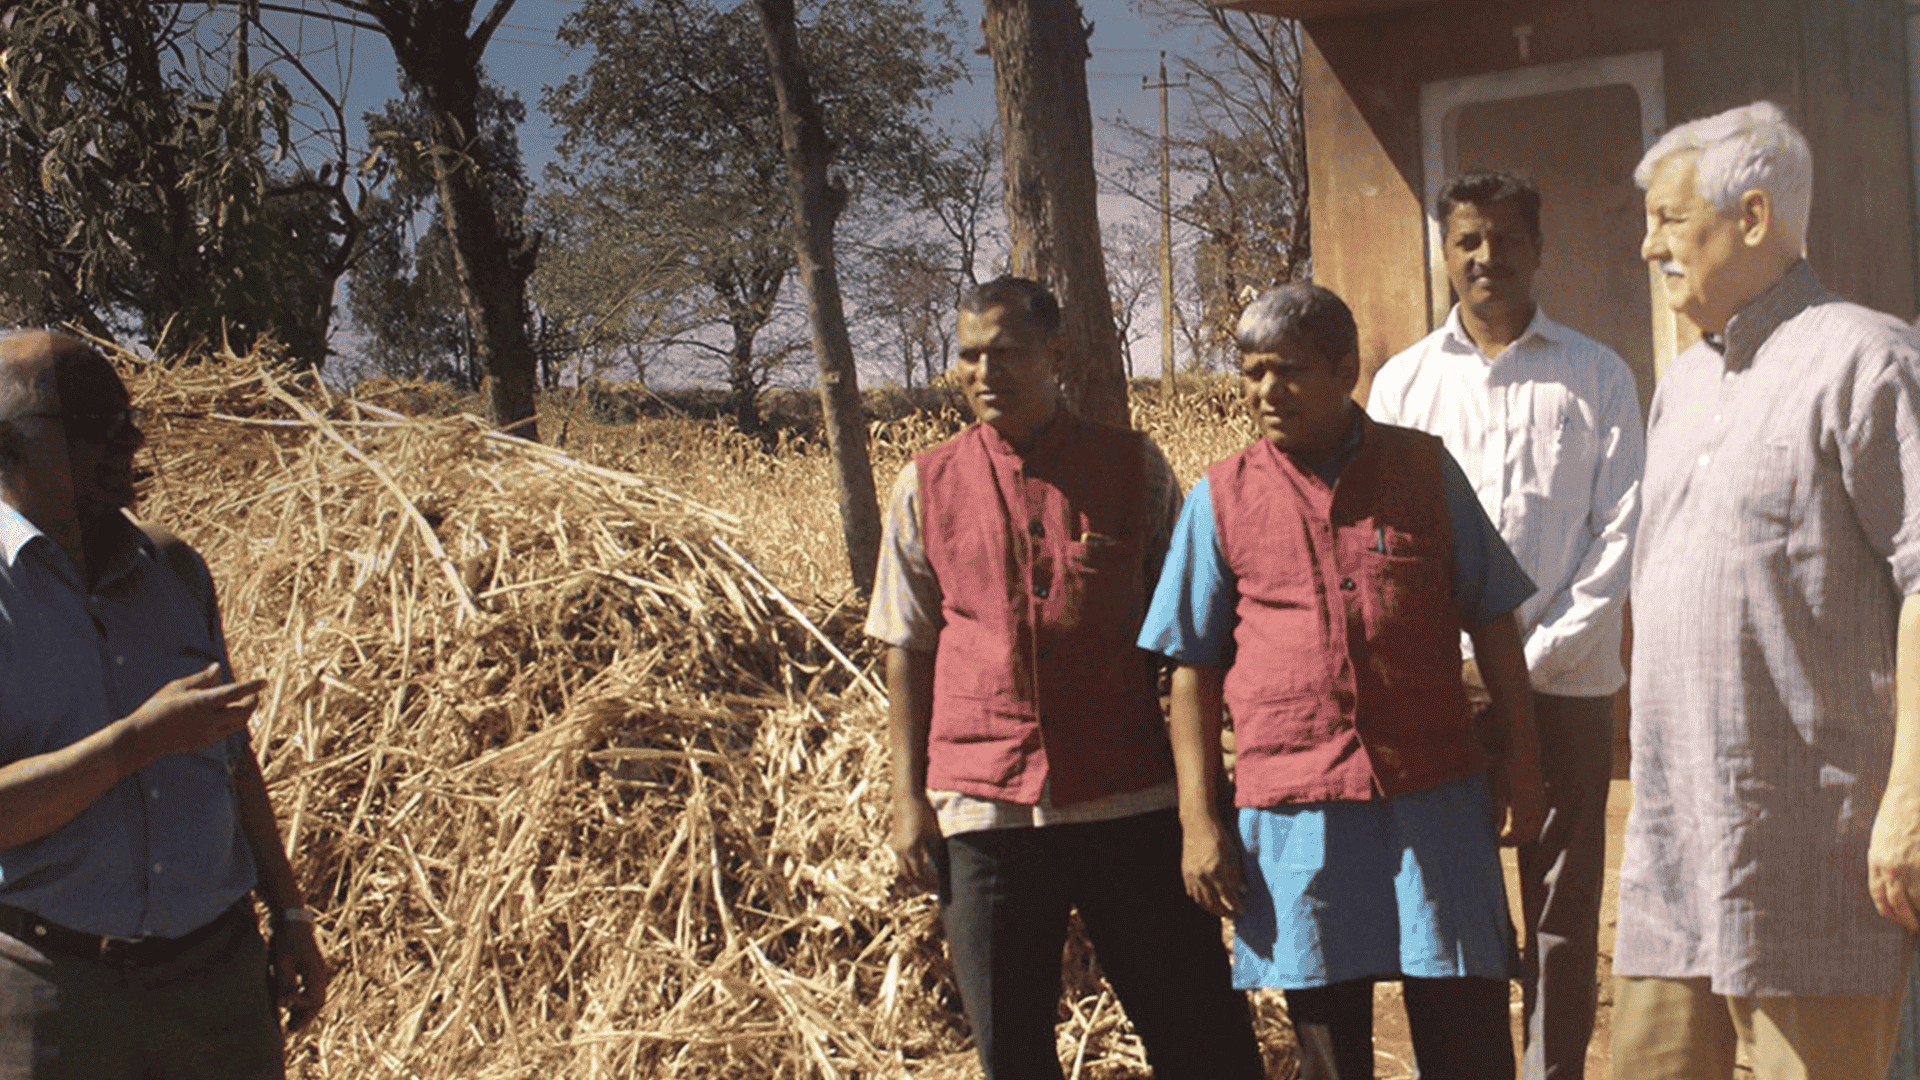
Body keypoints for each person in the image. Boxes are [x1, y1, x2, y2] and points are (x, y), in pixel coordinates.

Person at [1141, 282, 1545, 1080]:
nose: (1265, 391)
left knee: (1465, 1032)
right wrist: (1198, 820)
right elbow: (1192, 670)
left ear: (1347, 367)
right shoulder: (1220, 497)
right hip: (1296, 814)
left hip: (1432, 796)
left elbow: (1494, 621)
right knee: (1330, 1044)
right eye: (1252, 373)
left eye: (1287, 370)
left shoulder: (1422, 470)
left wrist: (1525, 763)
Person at [867, 276, 1263, 1080]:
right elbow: (906, 645)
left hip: (1130, 800)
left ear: (1058, 355)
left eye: (1006, 353)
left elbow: (1192, 638)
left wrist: (1204, 804)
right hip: (986, 810)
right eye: (970, 357)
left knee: (1200, 1035)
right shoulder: (927, 483)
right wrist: (907, 797)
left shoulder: (1132, 467)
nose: (986, 373)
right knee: (1012, 1050)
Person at [1615, 101, 1920, 1079]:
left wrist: (1911, 802)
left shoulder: (1866, 359)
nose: (1647, 243)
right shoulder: (1682, 387)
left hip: (1811, 854)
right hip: (1673, 853)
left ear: (1752, 217)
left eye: (1669, 219)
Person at [1368, 169, 1643, 1080]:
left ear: (1539, 246)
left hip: (1567, 684)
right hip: (1443, 691)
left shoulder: (1596, 375)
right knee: (1456, 893)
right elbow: (1385, 544)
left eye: (1506, 239)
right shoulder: (1405, 384)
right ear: (1445, 253)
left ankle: (1552, 1070)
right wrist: (1457, 665)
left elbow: (1621, 532)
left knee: (1563, 900)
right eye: (1467, 241)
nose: (1487, 258)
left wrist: (1525, 659)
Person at [0, 330, 327, 1079]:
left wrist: (290, 913)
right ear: (6, 445)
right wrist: (134, 743)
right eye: (89, 425)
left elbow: (233, 761)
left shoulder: (175, 568)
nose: (128, 442)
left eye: (127, 418)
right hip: (52, 988)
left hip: (218, 983)